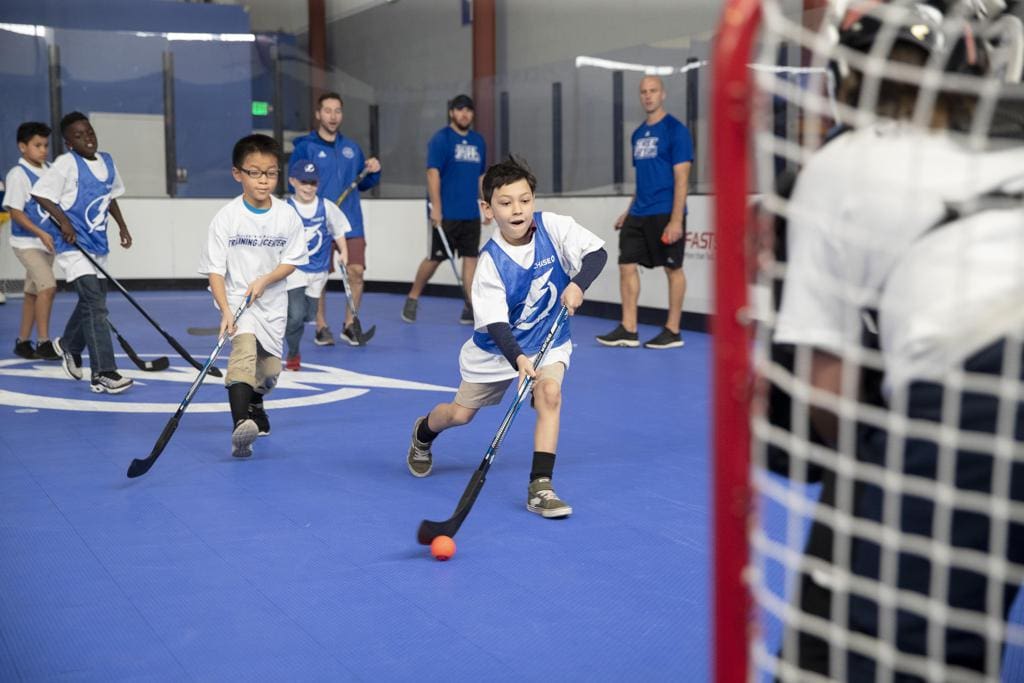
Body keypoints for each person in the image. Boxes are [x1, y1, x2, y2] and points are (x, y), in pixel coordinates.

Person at [770, 3, 1024, 679]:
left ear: (844, 85)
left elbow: (828, 395)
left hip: (978, 382)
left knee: (889, 647)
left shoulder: (836, 167)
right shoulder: (1006, 143)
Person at [406, 157, 608, 518]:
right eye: (505, 202)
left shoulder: (553, 227)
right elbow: (498, 326)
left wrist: (578, 284)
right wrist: (518, 361)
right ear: (487, 209)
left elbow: (597, 253)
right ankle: (423, 432)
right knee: (460, 414)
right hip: (497, 352)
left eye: (525, 200)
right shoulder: (490, 264)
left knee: (549, 394)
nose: (518, 210)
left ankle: (540, 487)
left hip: (549, 338)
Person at [197, 134, 307, 457]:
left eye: (271, 173)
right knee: (242, 357)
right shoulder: (227, 218)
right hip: (238, 301)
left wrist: (266, 280)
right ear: (237, 174)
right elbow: (214, 270)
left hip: (272, 303)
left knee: (270, 371)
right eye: (255, 173)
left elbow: (291, 260)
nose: (263, 180)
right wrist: (225, 309)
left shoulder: (286, 215)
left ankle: (256, 400)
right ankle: (240, 427)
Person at [31, 111, 134, 394]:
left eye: (89, 132)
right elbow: (40, 194)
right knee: (96, 305)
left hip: (98, 243)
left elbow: (110, 197)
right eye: (78, 136)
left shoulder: (108, 162)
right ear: (69, 143)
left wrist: (122, 226)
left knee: (93, 302)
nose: (87, 138)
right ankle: (103, 372)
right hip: (73, 245)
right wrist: (63, 221)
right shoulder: (66, 164)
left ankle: (68, 345)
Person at [596, 75, 692, 350]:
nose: (648, 96)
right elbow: (643, 181)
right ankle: (629, 328)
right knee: (626, 263)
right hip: (639, 211)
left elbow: (682, 177)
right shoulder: (637, 134)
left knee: (673, 269)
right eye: (643, 92)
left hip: (665, 211)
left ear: (662, 94)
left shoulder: (676, 130)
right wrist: (628, 211)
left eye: (653, 91)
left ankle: (672, 330)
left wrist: (676, 219)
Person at [291, 92, 381, 346]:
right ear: (318, 114)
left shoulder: (352, 148)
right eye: (328, 111)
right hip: (317, 223)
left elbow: (366, 183)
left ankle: (350, 325)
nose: (333, 116)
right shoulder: (305, 147)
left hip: (350, 221)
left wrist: (374, 170)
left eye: (337, 111)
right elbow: (294, 181)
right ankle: (321, 326)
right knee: (319, 275)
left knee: (356, 271)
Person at [402, 94, 487, 325]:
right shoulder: (441, 139)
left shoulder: (478, 141)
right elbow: (432, 174)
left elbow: (481, 176)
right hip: (446, 214)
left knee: (471, 259)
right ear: (452, 113)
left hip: (470, 214)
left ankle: (470, 305)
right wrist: (436, 209)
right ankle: (412, 297)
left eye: (468, 110)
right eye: (459, 110)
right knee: (434, 259)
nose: (464, 114)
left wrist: (486, 204)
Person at [283, 159, 350, 371]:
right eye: (303, 182)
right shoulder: (285, 209)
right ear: (292, 181)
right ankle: (293, 354)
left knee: (309, 315)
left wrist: (344, 252)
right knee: (295, 316)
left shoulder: (326, 207)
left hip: (319, 270)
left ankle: (289, 323)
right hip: (294, 269)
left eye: (312, 183)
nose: (308, 187)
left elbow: (338, 230)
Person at [4, 122, 60, 361]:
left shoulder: (49, 170)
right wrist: (40, 232)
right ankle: (44, 342)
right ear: (22, 147)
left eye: (46, 145)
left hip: (46, 243)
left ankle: (23, 342)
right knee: (48, 287)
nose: (43, 150)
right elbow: (16, 212)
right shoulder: (18, 175)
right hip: (27, 243)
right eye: (37, 145)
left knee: (33, 293)